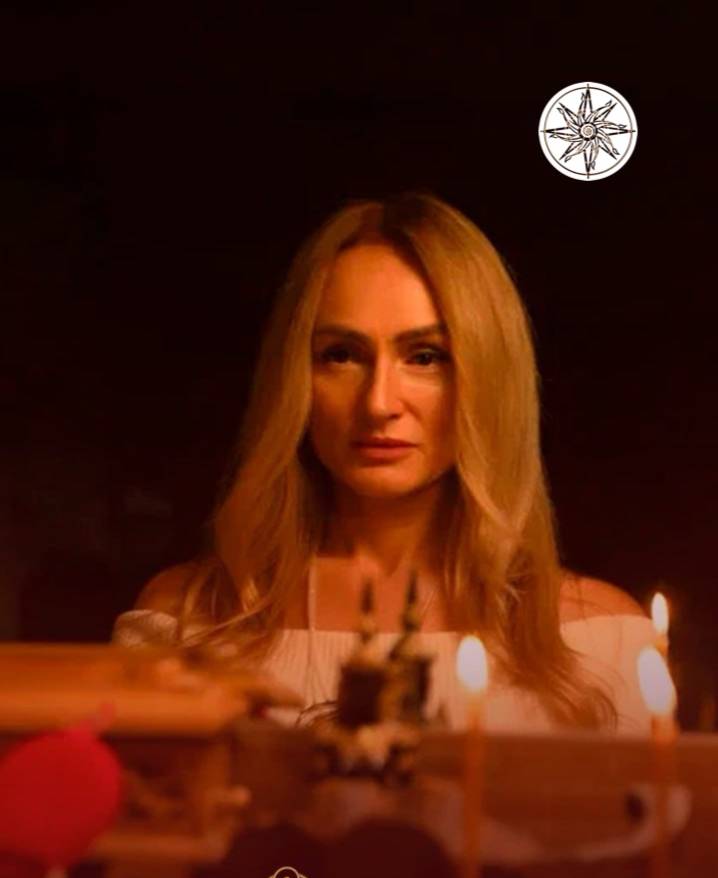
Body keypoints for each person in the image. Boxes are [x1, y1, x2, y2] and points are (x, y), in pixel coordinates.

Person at [113, 190, 656, 734]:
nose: (378, 403)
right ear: (294, 378)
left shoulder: (596, 639)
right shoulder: (186, 622)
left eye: (424, 357)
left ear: (489, 378)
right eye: (341, 355)